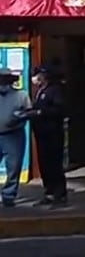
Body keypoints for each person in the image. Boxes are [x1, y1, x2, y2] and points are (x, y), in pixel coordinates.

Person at [24, 65, 67, 207]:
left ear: (45, 76)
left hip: (53, 132)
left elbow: (58, 109)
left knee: (55, 164)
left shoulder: (55, 91)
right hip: (41, 133)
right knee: (45, 164)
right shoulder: (40, 91)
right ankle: (48, 192)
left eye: (38, 75)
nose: (35, 78)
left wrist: (40, 113)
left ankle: (60, 195)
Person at [0, 67, 31, 208]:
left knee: (13, 167)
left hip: (14, 134)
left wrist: (20, 117)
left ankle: (8, 195)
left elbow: (29, 111)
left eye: (5, 79)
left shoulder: (21, 95)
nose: (3, 82)